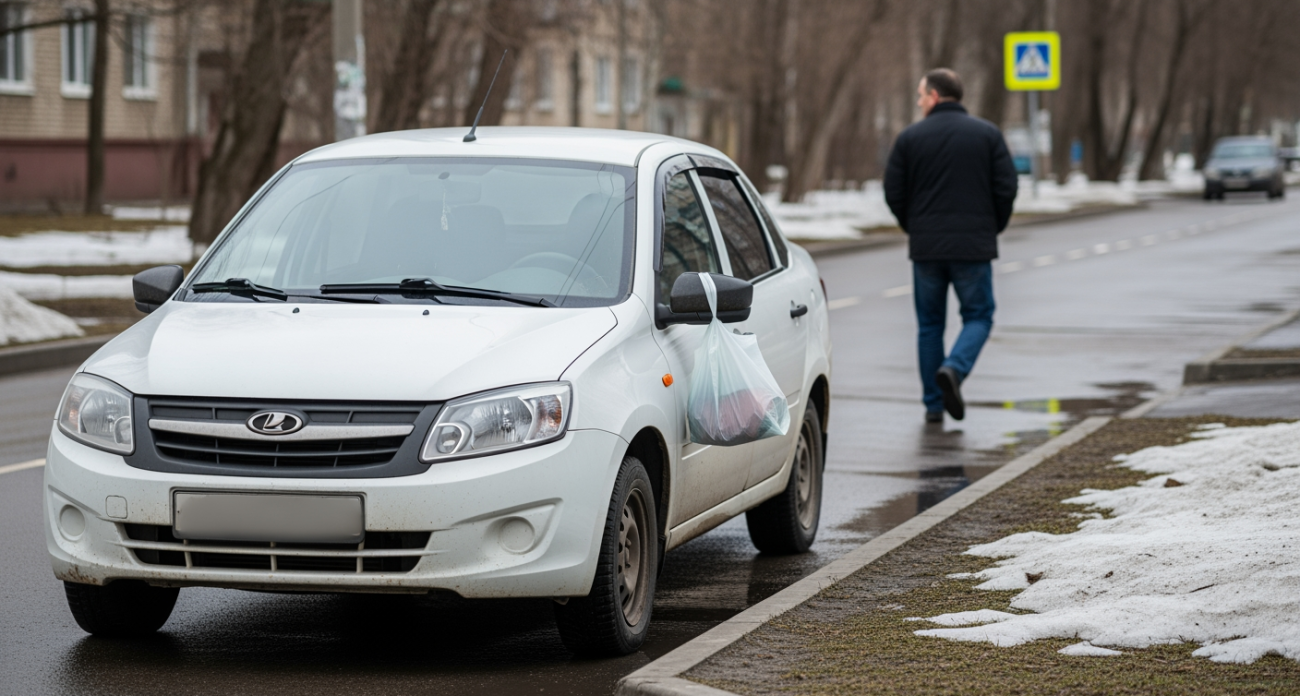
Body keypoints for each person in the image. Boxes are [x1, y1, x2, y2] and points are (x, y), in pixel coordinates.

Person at [884, 68, 1018, 423]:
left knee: (929, 326)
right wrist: (992, 228)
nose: (918, 101)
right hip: (973, 247)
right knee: (979, 315)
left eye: (920, 95)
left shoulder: (910, 138)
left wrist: (914, 227)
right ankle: (955, 369)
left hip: (926, 248)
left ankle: (933, 405)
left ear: (935, 96)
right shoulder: (987, 135)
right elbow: (1007, 187)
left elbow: (893, 192)